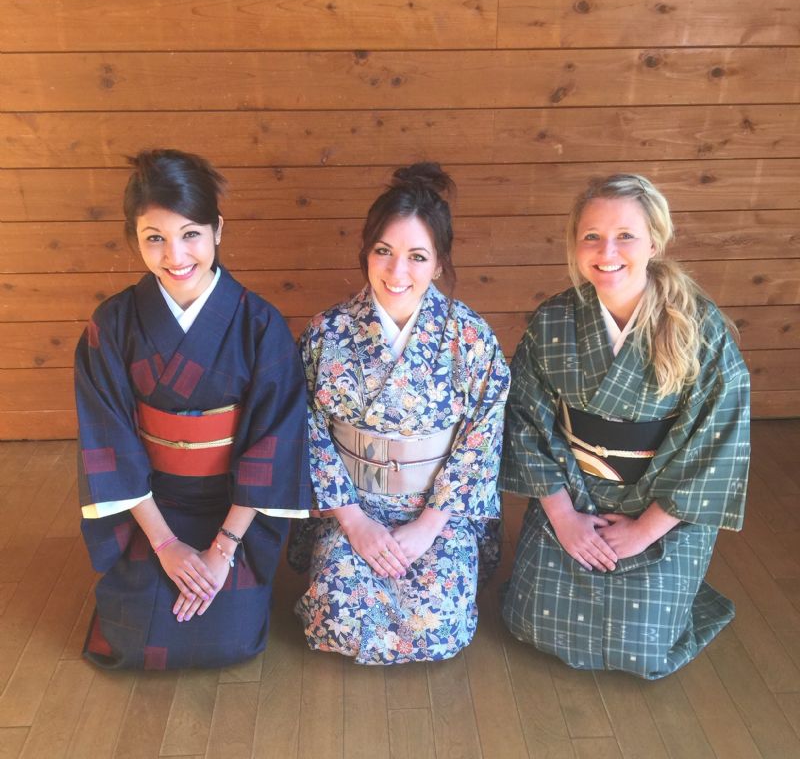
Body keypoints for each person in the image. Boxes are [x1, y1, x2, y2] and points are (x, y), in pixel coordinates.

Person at [500, 173, 750, 680]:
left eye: (626, 236)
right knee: (530, 622)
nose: (607, 251)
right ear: (575, 245)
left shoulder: (699, 326)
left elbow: (717, 438)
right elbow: (525, 419)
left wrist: (644, 530)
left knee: (643, 646)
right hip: (574, 496)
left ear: (654, 241)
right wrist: (564, 517)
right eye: (591, 236)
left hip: (659, 506)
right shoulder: (552, 321)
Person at [74, 149, 310, 670]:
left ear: (217, 229)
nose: (175, 255)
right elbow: (109, 441)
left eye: (190, 234)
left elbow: (273, 441)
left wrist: (222, 549)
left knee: (231, 639)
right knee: (134, 639)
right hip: (150, 505)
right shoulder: (112, 325)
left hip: (233, 507)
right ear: (134, 238)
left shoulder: (259, 325)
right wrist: (165, 545)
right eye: (154, 238)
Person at [291, 163, 510, 664]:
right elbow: (307, 428)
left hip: (436, 510)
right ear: (366, 252)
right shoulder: (328, 332)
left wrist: (429, 525)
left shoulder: (469, 337)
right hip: (352, 507)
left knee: (439, 626)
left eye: (417, 256)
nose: (397, 272)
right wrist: (353, 521)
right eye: (383, 251)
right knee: (338, 616)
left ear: (439, 264)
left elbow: (482, 436)